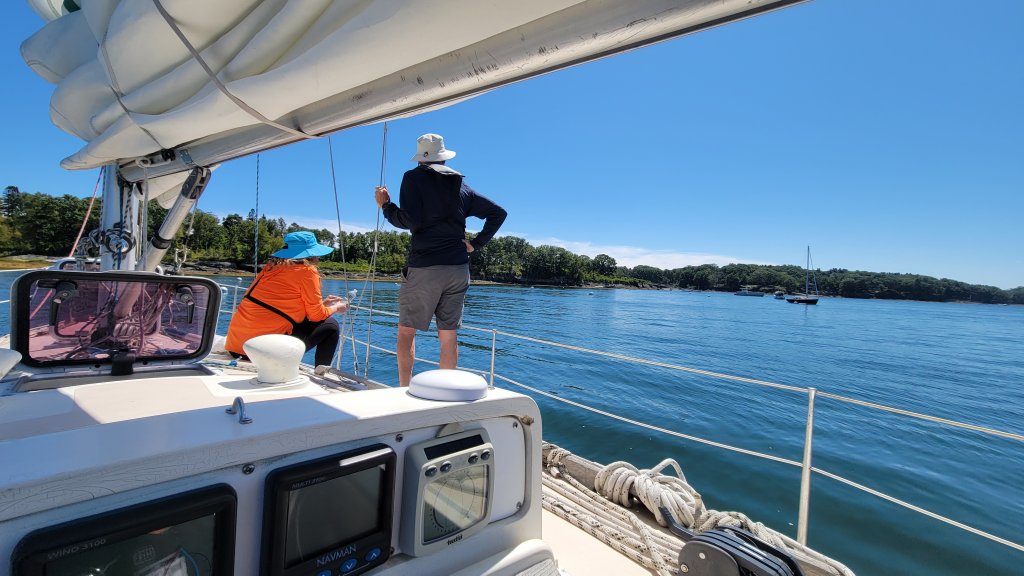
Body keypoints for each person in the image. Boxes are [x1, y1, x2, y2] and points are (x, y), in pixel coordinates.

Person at [375, 133, 507, 386]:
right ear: (444, 157)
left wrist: (386, 206)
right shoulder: (462, 186)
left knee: (406, 331)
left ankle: (404, 391)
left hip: (426, 266)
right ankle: (445, 392)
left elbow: (410, 221)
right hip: (458, 268)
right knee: (448, 336)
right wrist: (476, 244)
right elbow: (498, 213)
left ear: (421, 159)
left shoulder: (413, 178)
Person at [225, 231, 349, 366]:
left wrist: (322, 304)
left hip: (236, 348)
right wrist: (336, 308)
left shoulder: (270, 268)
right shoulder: (307, 272)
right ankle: (321, 373)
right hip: (261, 353)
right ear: (311, 254)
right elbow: (316, 316)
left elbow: (280, 304)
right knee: (331, 326)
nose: (318, 258)